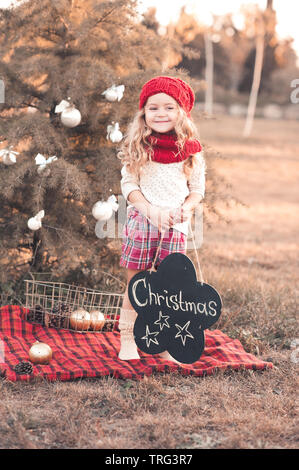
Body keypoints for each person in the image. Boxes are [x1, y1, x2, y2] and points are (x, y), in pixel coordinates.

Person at [117, 75, 206, 361]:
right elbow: (129, 185)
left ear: (182, 112)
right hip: (144, 222)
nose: (161, 114)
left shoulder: (190, 150)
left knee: (170, 290)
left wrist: (188, 208)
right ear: (144, 112)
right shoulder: (138, 145)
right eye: (153, 107)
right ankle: (128, 339)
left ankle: (165, 341)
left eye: (169, 107)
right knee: (138, 284)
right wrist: (149, 210)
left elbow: (197, 190)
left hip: (176, 226)